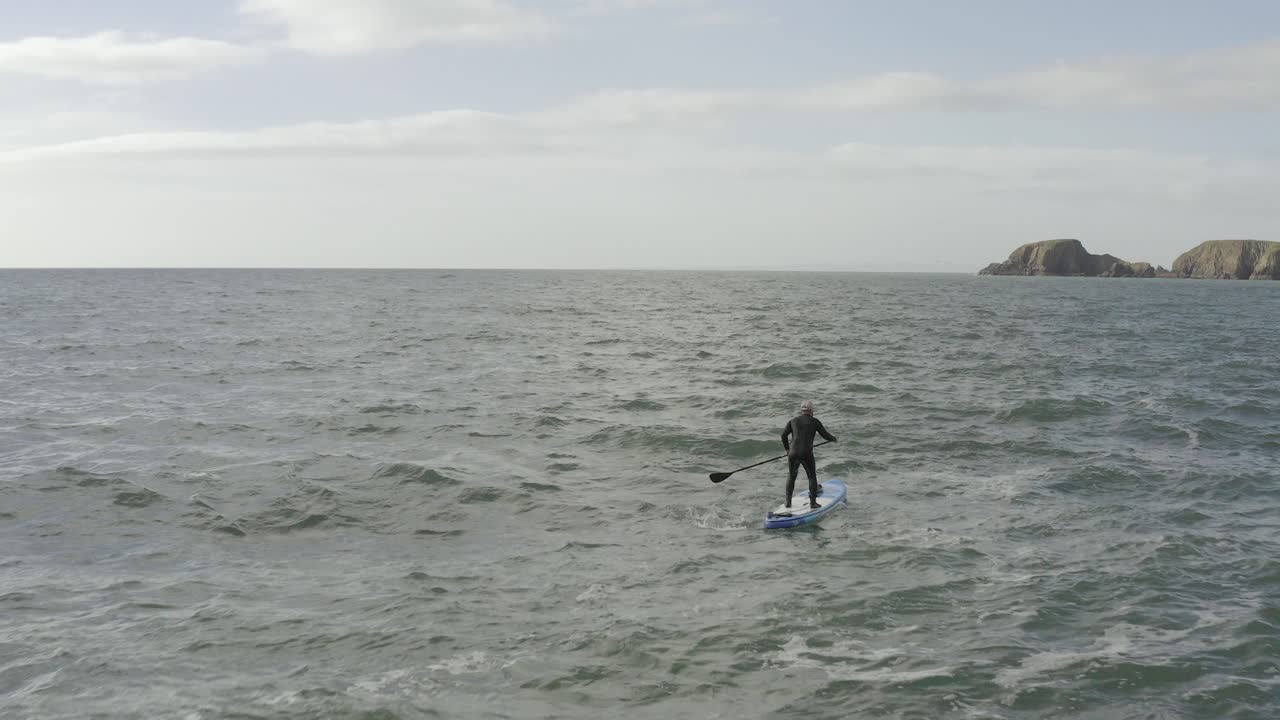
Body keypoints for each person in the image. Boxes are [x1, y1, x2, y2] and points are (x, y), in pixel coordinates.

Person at [780, 399, 837, 509]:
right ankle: (813, 503)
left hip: (793, 453)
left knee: (791, 476)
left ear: (802, 410)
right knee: (811, 476)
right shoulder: (815, 421)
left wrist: (787, 449)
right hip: (806, 453)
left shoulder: (793, 421)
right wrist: (834, 439)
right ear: (811, 410)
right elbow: (825, 435)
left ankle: (788, 502)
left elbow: (783, 435)